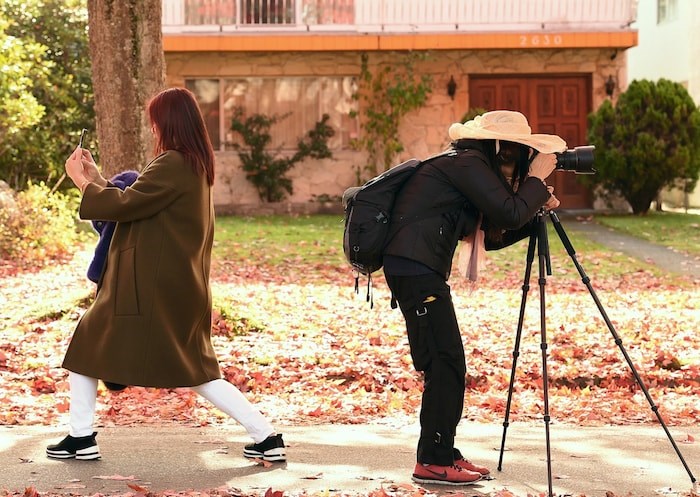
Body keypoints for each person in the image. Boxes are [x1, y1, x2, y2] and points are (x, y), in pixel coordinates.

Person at [47, 87, 285, 464]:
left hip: (151, 291)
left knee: (90, 347)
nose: (154, 128)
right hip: (174, 289)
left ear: (169, 123)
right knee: (195, 369)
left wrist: (81, 181)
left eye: (156, 121)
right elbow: (139, 202)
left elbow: (126, 205)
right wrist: (96, 177)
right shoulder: (193, 165)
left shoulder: (173, 163)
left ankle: (81, 437)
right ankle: (266, 436)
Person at [382, 110, 564, 486]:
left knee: (445, 363)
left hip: (416, 268)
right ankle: (432, 460)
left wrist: (534, 210)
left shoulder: (466, 166)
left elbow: (496, 233)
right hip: (415, 269)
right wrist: (534, 185)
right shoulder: (468, 163)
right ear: (498, 147)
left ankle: (442, 452)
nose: (518, 159)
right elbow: (509, 212)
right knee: (446, 362)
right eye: (516, 151)